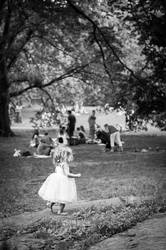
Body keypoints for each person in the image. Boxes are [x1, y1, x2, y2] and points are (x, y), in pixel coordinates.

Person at [38, 137, 81, 214]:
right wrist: (76, 175)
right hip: (64, 181)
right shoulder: (65, 164)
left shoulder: (58, 163)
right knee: (63, 198)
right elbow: (67, 174)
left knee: (56, 195)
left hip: (56, 180)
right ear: (66, 156)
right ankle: (60, 211)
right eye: (70, 156)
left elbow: (59, 172)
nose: (71, 157)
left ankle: (51, 203)